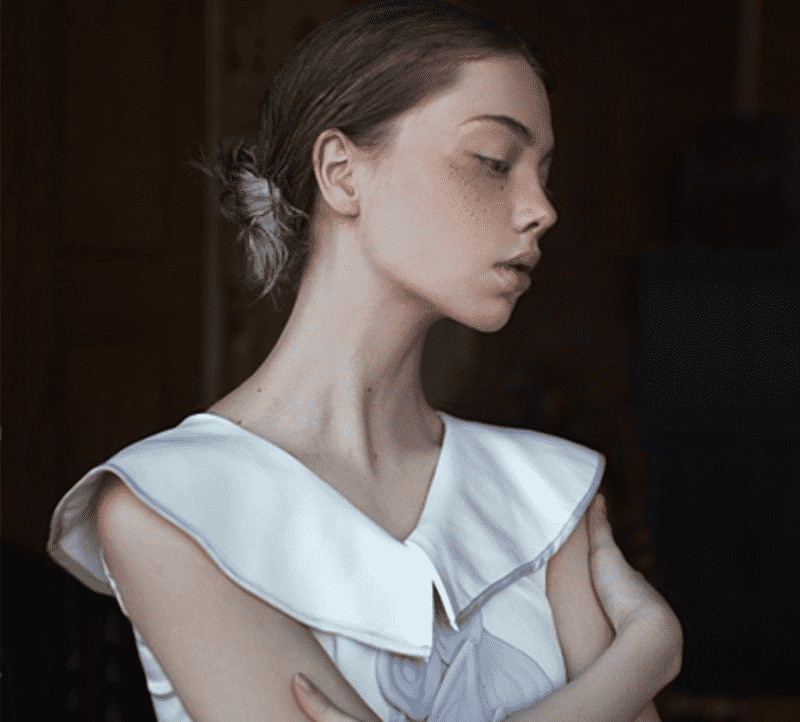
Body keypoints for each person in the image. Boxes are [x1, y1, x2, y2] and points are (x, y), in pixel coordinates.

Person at [46, 2, 683, 721]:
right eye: (494, 162)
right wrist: (644, 657)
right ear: (342, 173)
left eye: (544, 174)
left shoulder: (540, 493)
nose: (541, 209)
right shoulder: (173, 506)